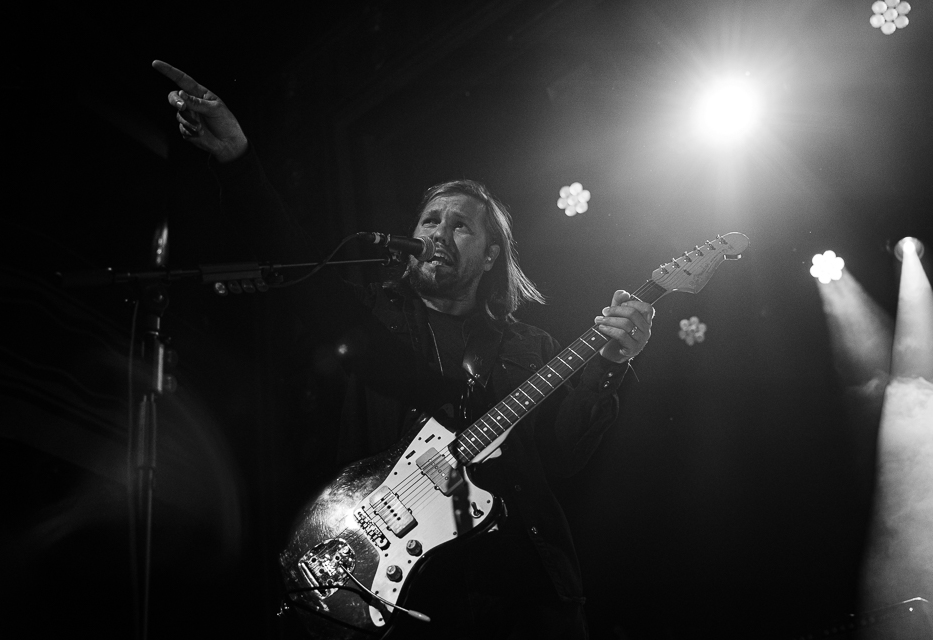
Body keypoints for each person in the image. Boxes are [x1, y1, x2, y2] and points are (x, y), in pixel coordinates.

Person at [153, 60, 655, 639]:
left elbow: (562, 457)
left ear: (492, 256)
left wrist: (609, 368)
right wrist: (240, 159)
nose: (438, 232)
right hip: (400, 586)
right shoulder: (376, 321)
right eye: (430, 220)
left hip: (517, 591)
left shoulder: (530, 346)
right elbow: (299, 271)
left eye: (460, 225)